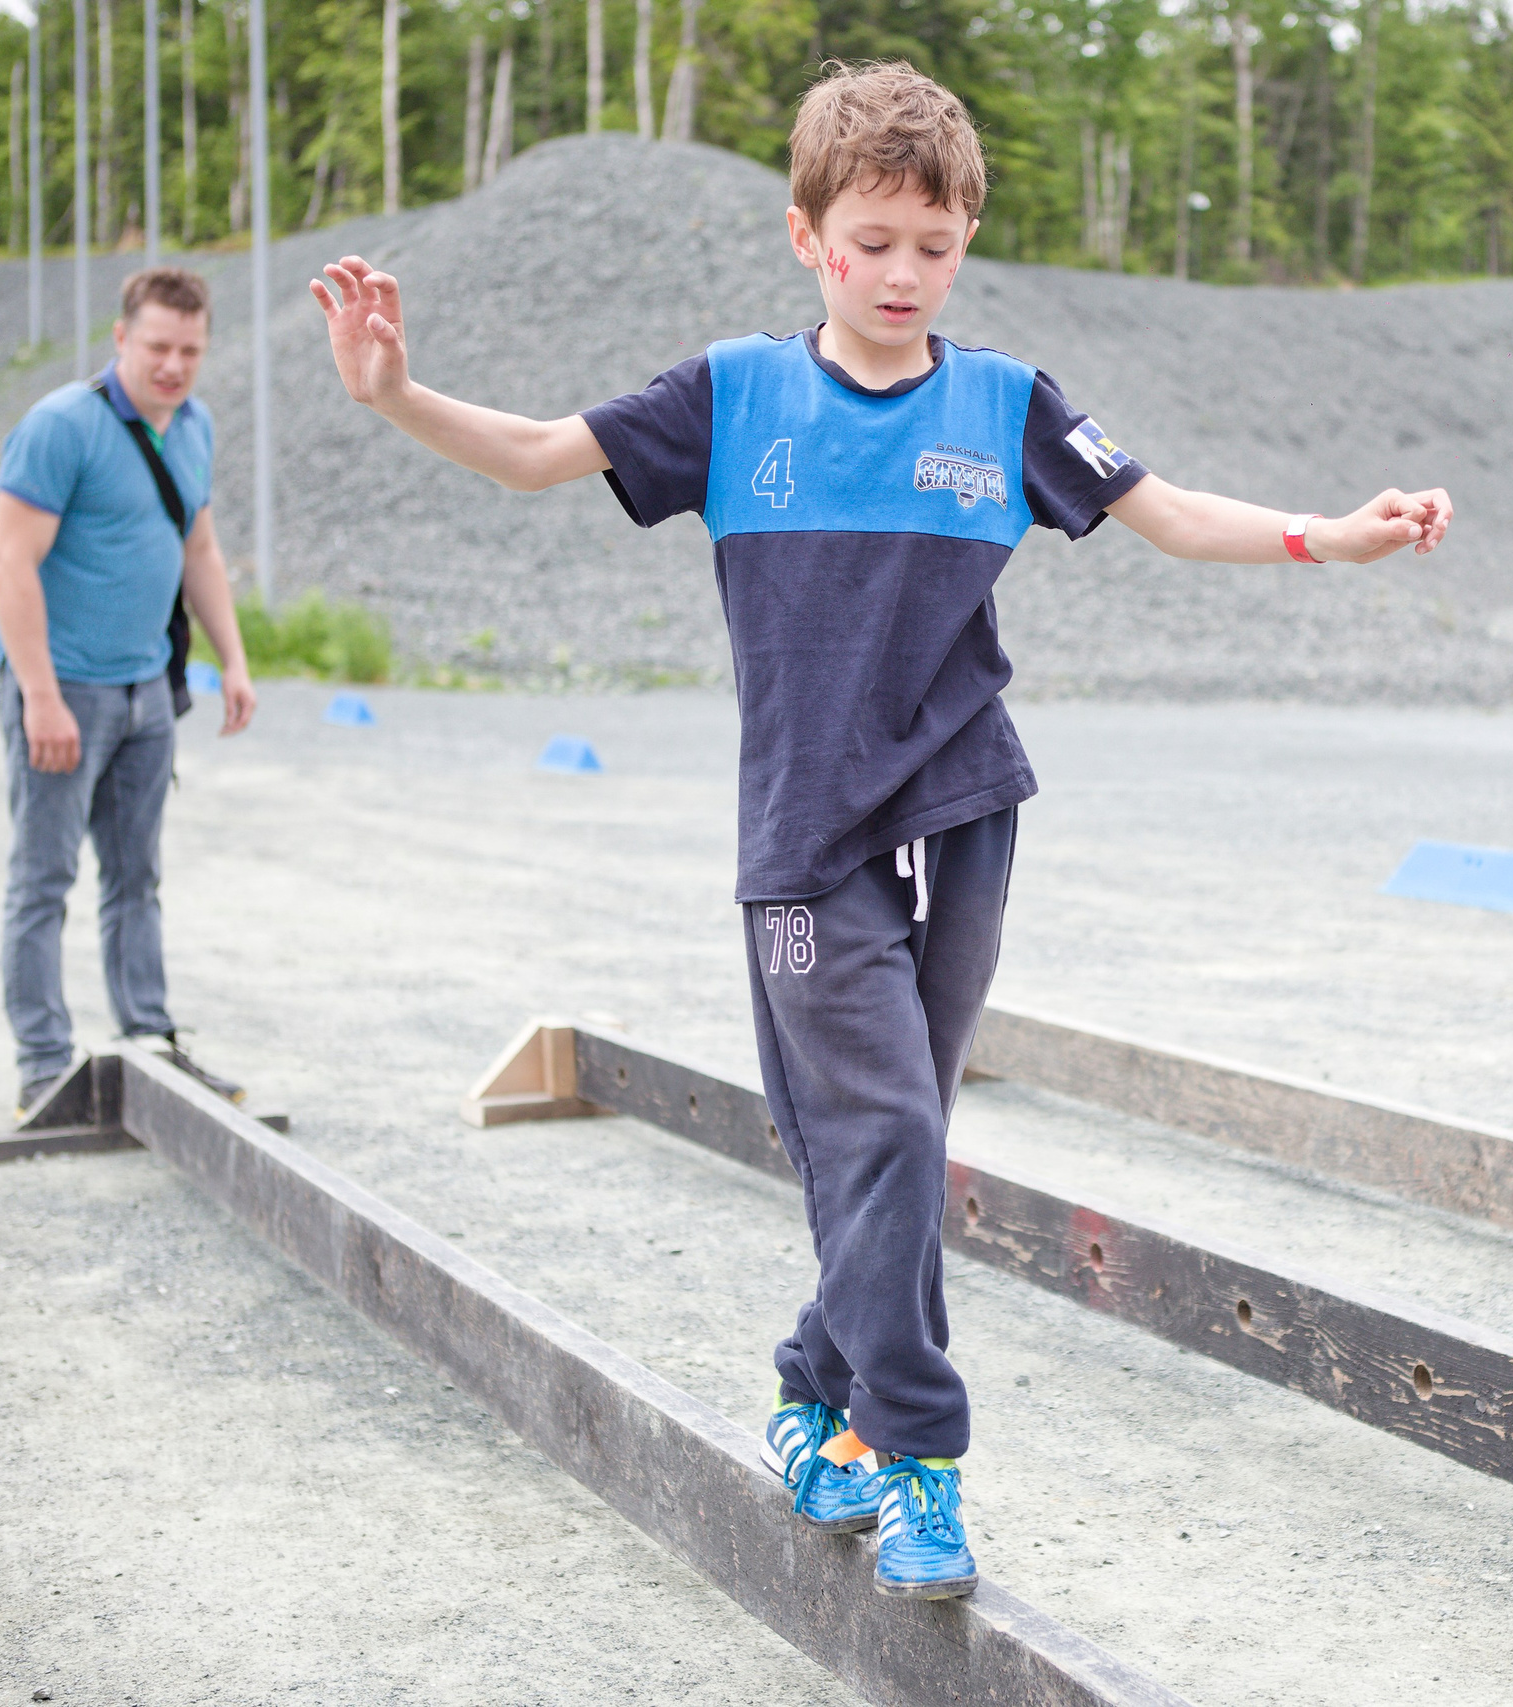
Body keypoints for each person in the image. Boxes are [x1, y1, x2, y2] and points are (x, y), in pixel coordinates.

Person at [310, 60, 1451, 1602]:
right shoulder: (729, 399)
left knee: (903, 1137)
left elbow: (1168, 510)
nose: (904, 273)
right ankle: (919, 1458)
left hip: (967, 808)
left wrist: (1333, 532)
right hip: (805, 837)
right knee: (889, 1133)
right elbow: (529, 450)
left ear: (963, 239)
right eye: (873, 241)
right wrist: (389, 392)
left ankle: (808, 1389)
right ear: (809, 240)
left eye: (933, 242)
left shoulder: (1007, 405)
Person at [0, 266, 259, 1115]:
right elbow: (10, 562)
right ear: (120, 339)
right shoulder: (60, 428)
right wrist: (40, 697)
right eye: (157, 347)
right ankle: (44, 1067)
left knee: (135, 876)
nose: (173, 365)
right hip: (61, 685)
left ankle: (149, 1037)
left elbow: (199, 550)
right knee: (44, 877)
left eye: (190, 350)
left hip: (147, 690)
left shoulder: (195, 425)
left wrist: (235, 659)